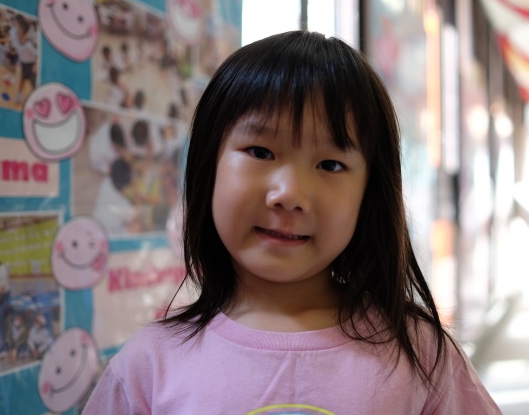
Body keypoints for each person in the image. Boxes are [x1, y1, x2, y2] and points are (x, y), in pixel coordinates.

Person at [83, 31, 501, 414]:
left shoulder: (421, 356)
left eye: (330, 164)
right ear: (208, 165)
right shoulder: (148, 366)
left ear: (369, 194)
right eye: (260, 152)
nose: (289, 194)